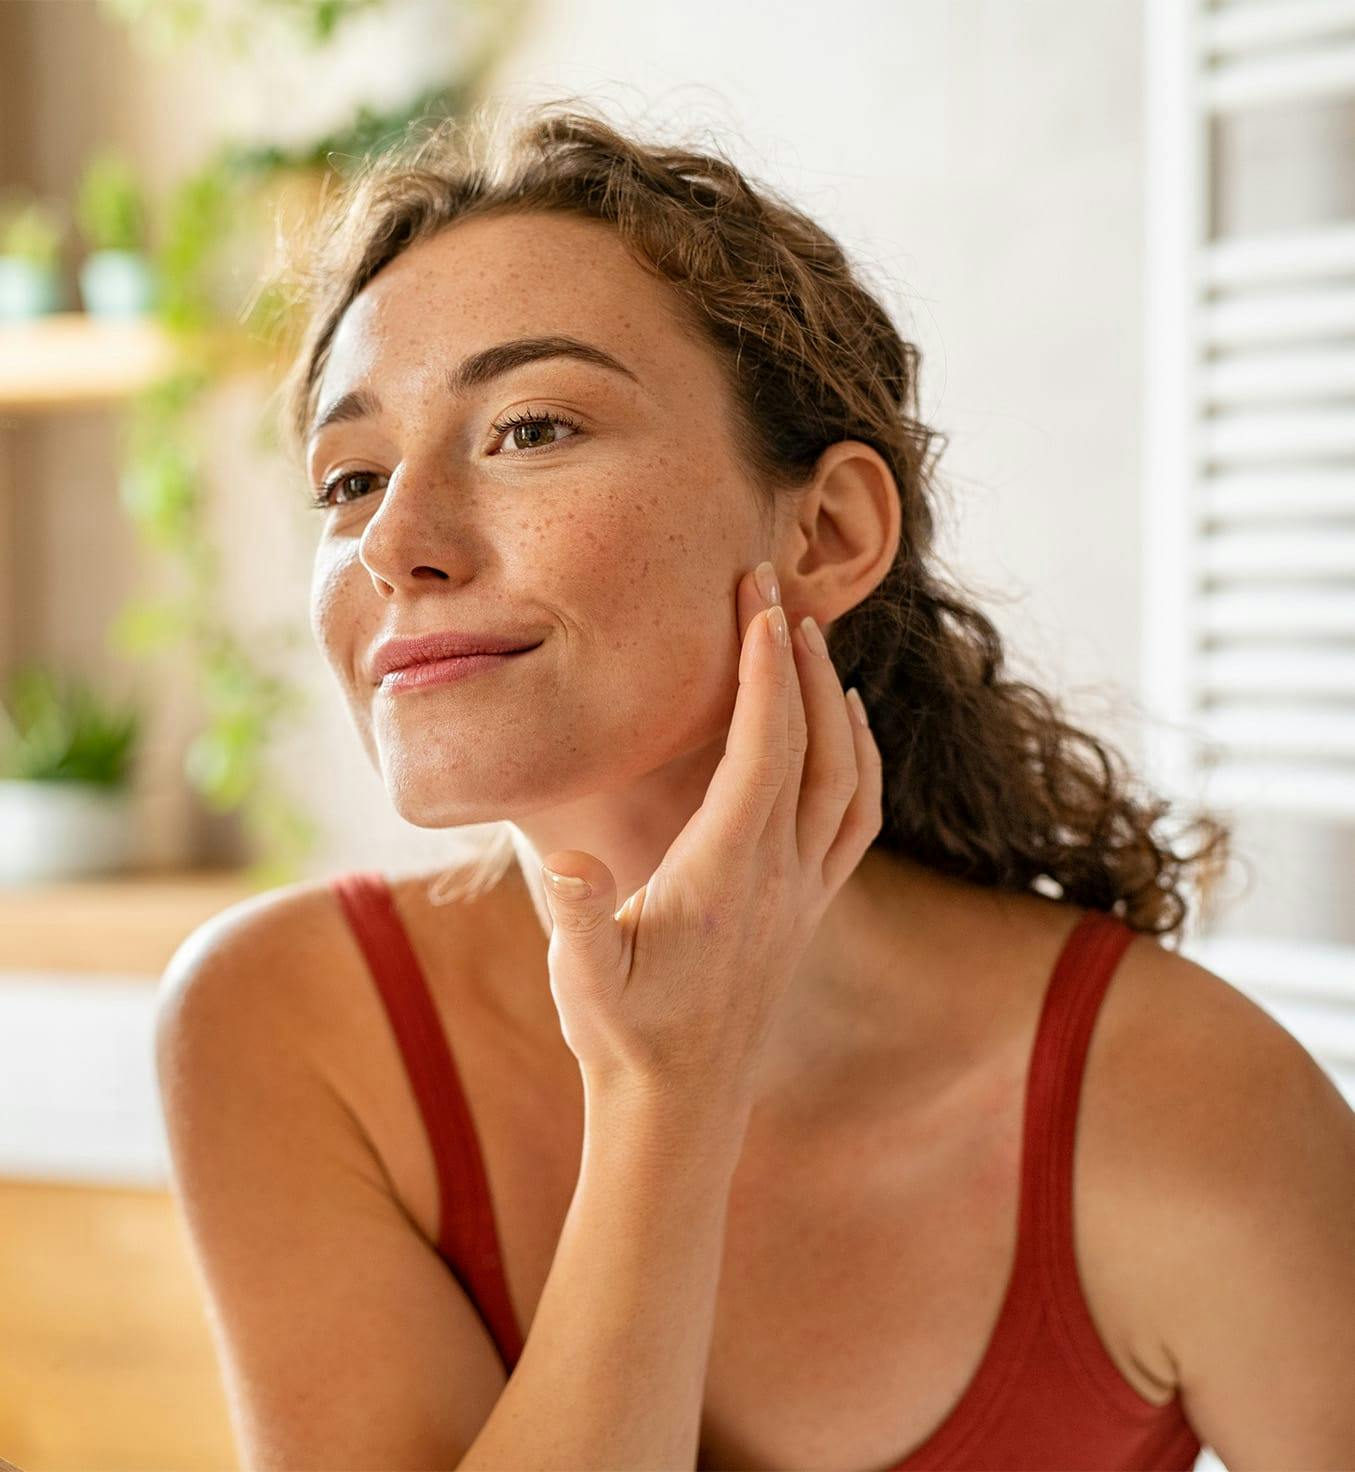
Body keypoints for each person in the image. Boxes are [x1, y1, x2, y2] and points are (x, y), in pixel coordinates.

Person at [155, 100, 1355, 1471]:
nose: (395, 544)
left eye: (532, 428)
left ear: (829, 532)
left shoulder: (1190, 1103)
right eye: (351, 476)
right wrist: (668, 1095)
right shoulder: (290, 1026)